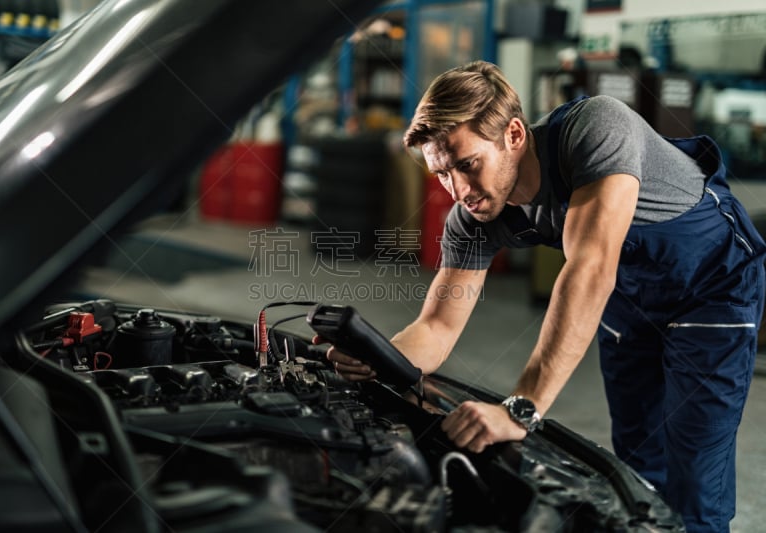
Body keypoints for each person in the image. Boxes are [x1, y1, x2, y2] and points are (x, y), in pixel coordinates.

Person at [324, 60, 765, 533]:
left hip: (711, 285)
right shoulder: (472, 217)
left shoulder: (596, 129)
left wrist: (522, 408)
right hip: (631, 298)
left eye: (468, 165)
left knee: (694, 476)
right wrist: (376, 355)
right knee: (638, 461)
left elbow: (591, 268)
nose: (459, 191)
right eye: (443, 174)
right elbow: (437, 327)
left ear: (513, 134)